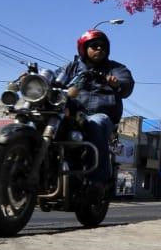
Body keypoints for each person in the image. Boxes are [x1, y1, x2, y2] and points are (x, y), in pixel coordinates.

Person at [56, 29, 134, 197]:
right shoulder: (72, 67)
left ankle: (98, 180)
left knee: (95, 123)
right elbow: (55, 80)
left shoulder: (115, 68)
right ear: (84, 48)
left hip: (100, 114)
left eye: (103, 46)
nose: (100, 49)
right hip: (73, 112)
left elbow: (126, 84)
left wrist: (116, 84)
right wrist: (34, 79)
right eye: (95, 45)